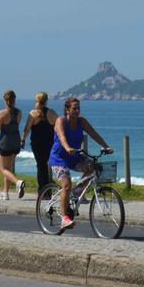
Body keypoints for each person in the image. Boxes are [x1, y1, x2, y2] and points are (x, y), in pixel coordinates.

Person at [48, 97, 112, 231]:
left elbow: (94, 134)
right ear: (67, 110)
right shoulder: (61, 121)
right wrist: (67, 148)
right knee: (66, 185)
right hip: (59, 158)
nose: (77, 111)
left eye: (78, 108)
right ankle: (64, 218)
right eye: (74, 108)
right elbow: (62, 137)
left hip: (74, 157)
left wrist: (105, 146)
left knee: (93, 168)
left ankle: (76, 193)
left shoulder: (81, 121)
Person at [0, 90, 25, 200]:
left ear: (5, 100)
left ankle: (18, 182)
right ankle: (5, 193)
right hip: (15, 142)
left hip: (5, 143)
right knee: (8, 169)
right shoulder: (19, 113)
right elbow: (16, 126)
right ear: (14, 100)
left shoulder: (2, 113)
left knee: (3, 169)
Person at [22, 92, 58, 192]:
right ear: (46, 101)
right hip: (49, 143)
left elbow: (27, 129)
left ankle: (43, 190)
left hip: (37, 144)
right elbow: (59, 126)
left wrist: (23, 139)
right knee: (46, 165)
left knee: (41, 166)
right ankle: (47, 189)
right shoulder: (52, 112)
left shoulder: (33, 113)